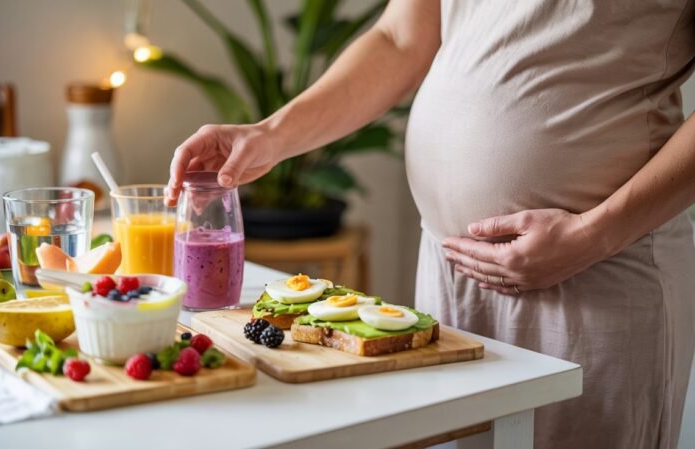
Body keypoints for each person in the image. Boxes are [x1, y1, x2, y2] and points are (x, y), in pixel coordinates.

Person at [165, 1, 695, 448]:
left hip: (598, 271)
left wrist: (594, 235)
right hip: (447, 268)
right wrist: (270, 135)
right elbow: (400, 38)